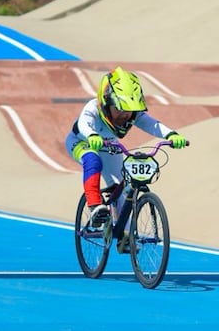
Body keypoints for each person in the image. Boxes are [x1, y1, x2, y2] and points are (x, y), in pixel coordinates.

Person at [65, 67, 189, 238]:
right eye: (120, 109)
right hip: (81, 142)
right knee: (93, 161)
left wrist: (171, 134)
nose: (124, 115)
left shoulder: (132, 114)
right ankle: (95, 207)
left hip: (110, 146)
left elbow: (151, 124)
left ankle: (126, 235)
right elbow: (84, 124)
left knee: (120, 188)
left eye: (129, 110)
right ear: (106, 102)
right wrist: (92, 135)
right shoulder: (92, 107)